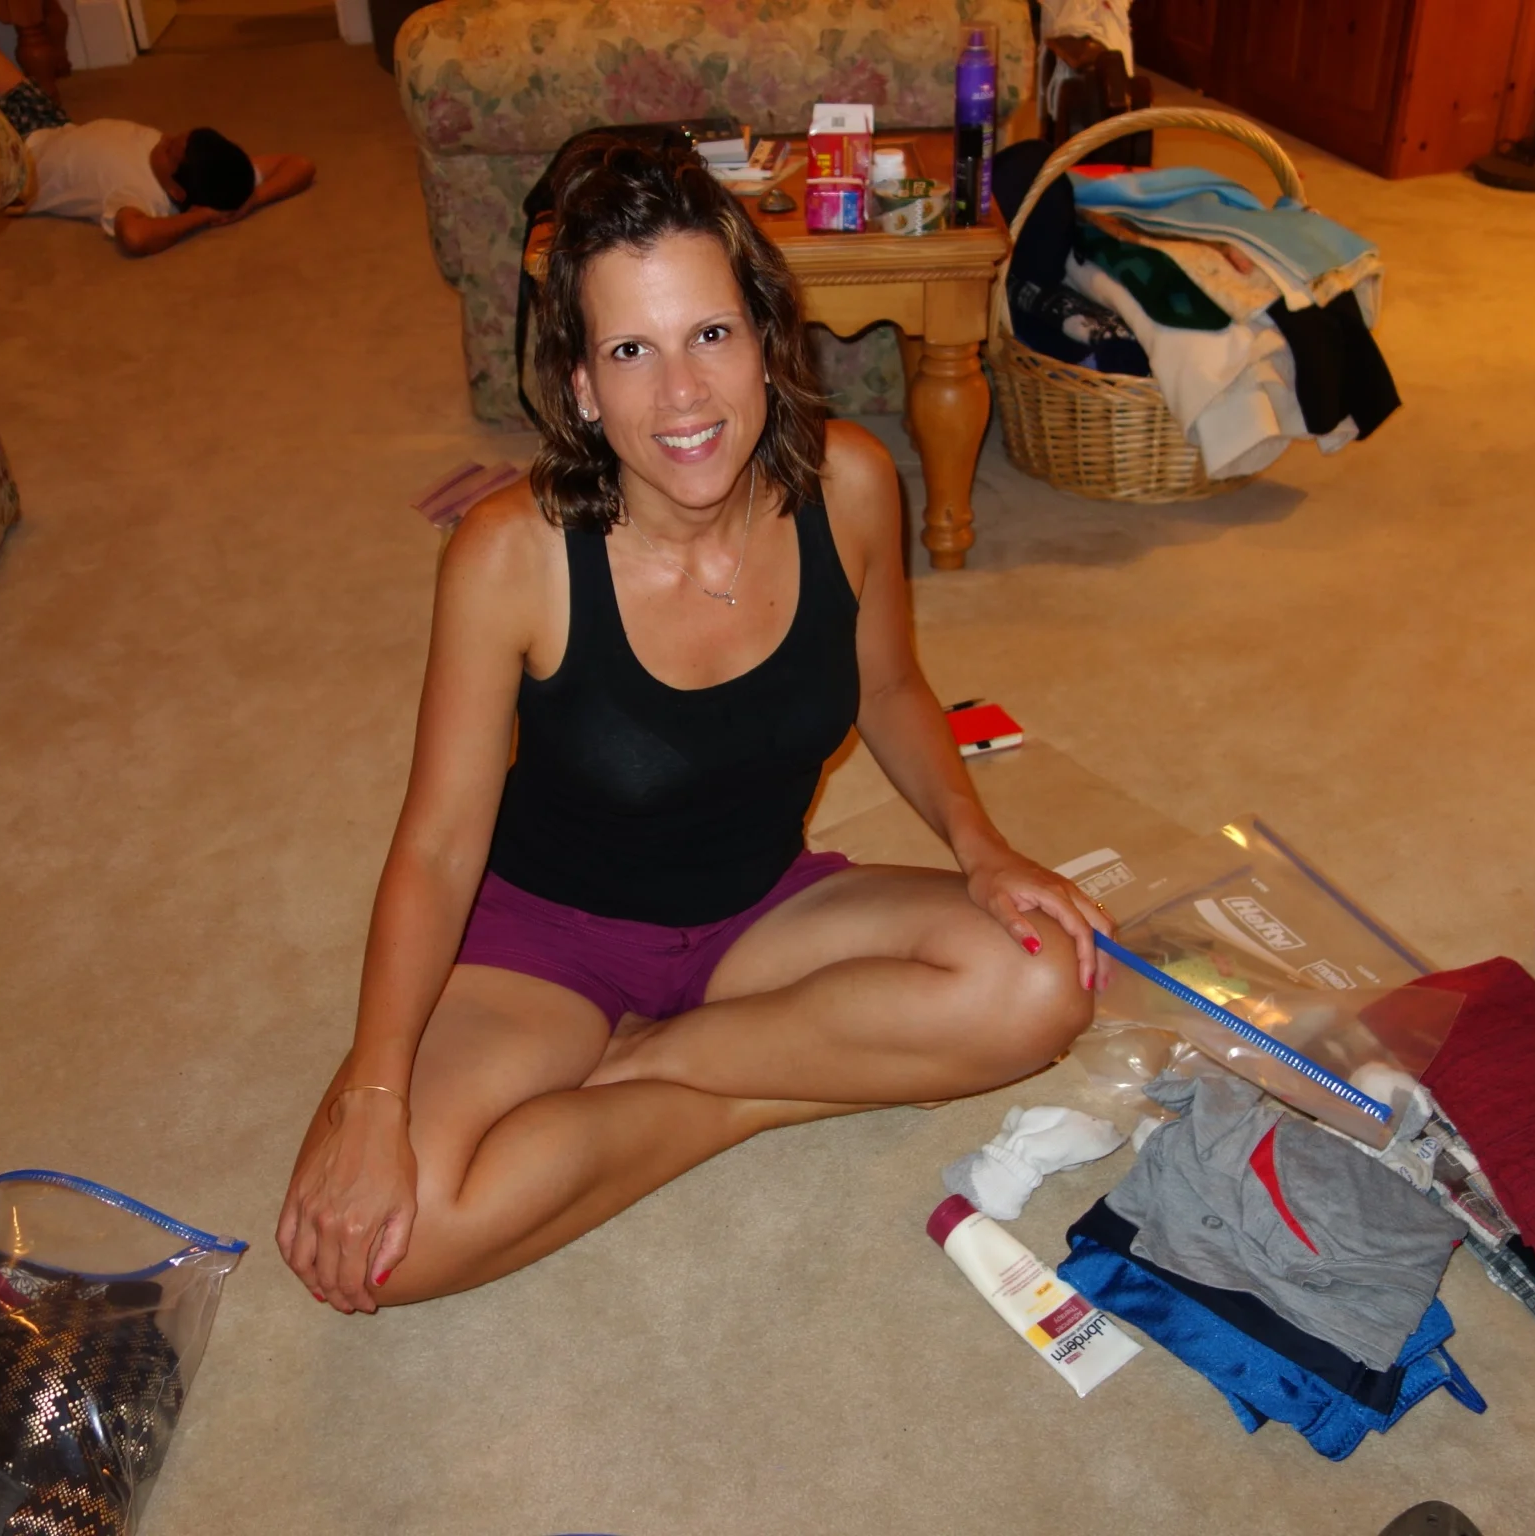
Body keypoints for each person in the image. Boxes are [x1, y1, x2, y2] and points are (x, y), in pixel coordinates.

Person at [277, 135, 1110, 1315]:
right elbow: (438, 846)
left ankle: (662, 1071)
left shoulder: (852, 484)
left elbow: (889, 690)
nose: (682, 395)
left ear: (765, 337)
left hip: (760, 915)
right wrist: (373, 1094)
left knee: (1044, 987)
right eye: (632, 350)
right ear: (580, 384)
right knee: (378, 1254)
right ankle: (751, 1086)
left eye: (711, 334)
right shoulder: (510, 555)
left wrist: (985, 853)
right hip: (548, 941)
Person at [0, 12, 314, 257]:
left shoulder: (141, 196)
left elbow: (135, 238)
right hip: (49, 123)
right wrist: (251, 201)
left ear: (176, 190)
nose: (165, 139)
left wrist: (200, 218)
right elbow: (298, 164)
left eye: (170, 151)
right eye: (177, 136)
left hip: (9, 153)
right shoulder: (219, 172)